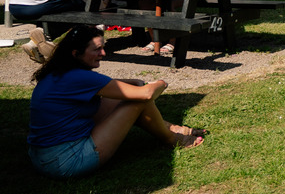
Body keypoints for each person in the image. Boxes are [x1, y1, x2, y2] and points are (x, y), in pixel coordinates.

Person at [27, 26, 203, 178]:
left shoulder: (62, 71)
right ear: (76, 53)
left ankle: (174, 128)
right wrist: (160, 83)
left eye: (103, 47)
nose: (103, 53)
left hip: (42, 158)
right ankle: (173, 138)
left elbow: (109, 85)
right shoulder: (80, 77)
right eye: (97, 49)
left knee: (123, 96)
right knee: (137, 100)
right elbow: (147, 94)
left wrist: (133, 83)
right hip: (68, 161)